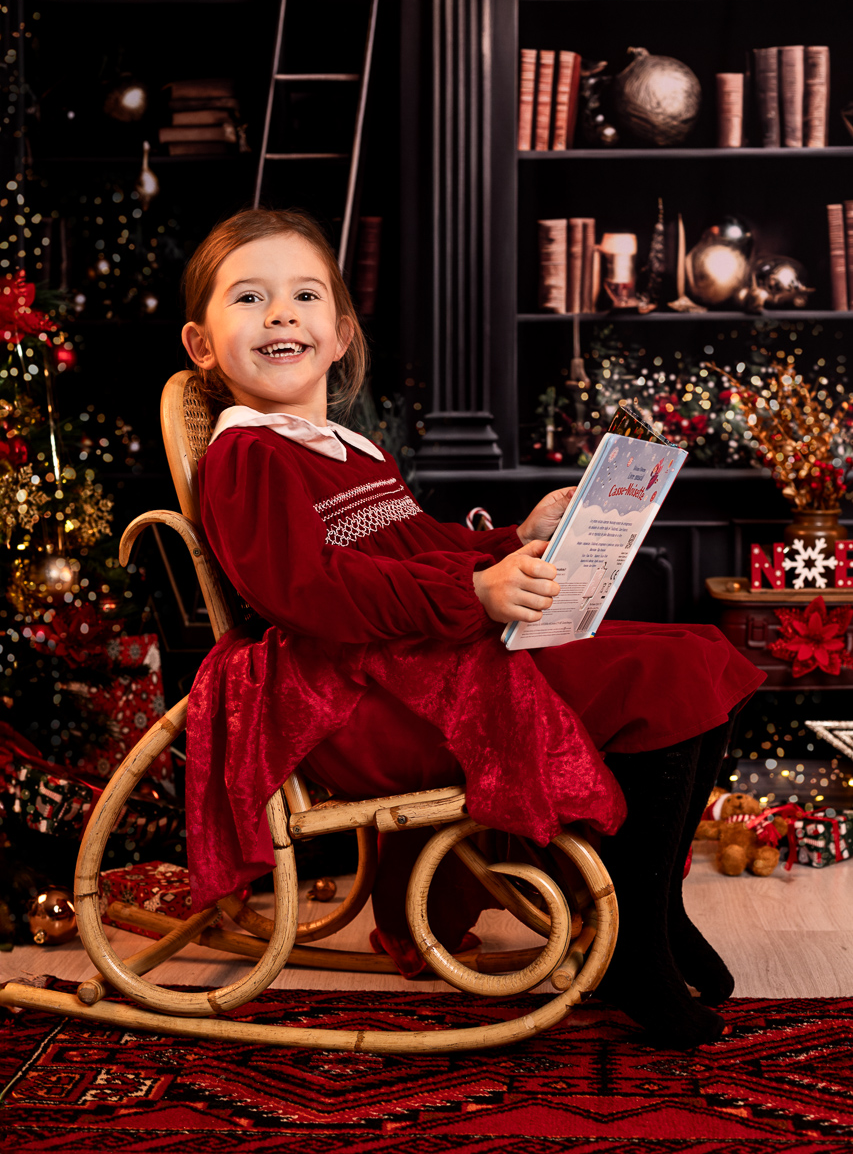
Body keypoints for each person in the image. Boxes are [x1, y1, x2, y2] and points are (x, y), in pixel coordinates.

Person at [181, 207, 765, 1049]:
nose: (280, 314)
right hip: (358, 699)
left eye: (303, 295)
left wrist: (513, 540)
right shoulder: (250, 454)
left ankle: (652, 909)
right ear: (204, 345)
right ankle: (631, 946)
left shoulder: (347, 449)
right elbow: (306, 592)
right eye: (250, 298)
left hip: (415, 661)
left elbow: (419, 545)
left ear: (339, 334)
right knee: (663, 679)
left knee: (701, 653)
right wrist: (474, 599)